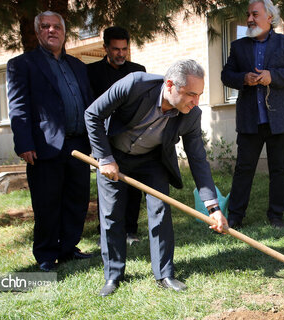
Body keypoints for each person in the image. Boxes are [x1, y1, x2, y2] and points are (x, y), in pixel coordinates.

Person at [85, 59, 228, 297]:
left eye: (199, 94)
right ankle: (113, 275)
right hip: (114, 155)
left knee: (160, 211)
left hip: (153, 161)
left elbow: (198, 160)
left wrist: (212, 207)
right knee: (111, 215)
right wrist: (105, 158)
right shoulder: (134, 85)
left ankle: (164, 274)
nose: (196, 102)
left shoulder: (192, 115)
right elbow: (92, 115)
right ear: (170, 85)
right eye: (191, 94)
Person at [7, 11, 93, 272]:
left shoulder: (77, 65)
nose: (52, 31)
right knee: (47, 203)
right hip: (44, 146)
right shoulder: (22, 64)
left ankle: (68, 248)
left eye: (57, 27)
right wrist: (24, 143)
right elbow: (18, 107)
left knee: (76, 200)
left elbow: (88, 103)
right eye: (45, 26)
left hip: (78, 144)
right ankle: (46, 254)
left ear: (64, 32)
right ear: (37, 32)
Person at [221, 0, 284, 229]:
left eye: (255, 14)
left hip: (279, 119)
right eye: (248, 14)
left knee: (279, 169)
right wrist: (243, 79)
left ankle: (276, 216)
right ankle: (235, 216)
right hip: (250, 119)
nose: (249, 19)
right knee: (243, 168)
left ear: (270, 17)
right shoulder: (238, 46)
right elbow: (226, 75)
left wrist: (273, 76)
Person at [88, 26, 147, 246]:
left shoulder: (137, 70)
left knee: (132, 186)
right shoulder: (91, 72)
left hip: (131, 138)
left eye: (124, 49)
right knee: (108, 186)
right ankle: (106, 231)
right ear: (105, 48)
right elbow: (91, 109)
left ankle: (130, 230)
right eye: (115, 49)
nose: (120, 53)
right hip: (104, 138)